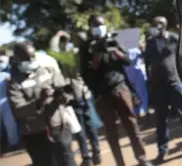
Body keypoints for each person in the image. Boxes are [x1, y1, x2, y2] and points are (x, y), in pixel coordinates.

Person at [80, 15, 151, 166]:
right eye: (96, 25)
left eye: (102, 24)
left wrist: (114, 50)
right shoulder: (87, 47)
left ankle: (142, 159)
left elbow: (127, 61)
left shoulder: (113, 40)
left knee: (132, 125)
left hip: (121, 89)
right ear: (90, 27)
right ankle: (120, 163)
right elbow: (87, 73)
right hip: (102, 95)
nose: (100, 27)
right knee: (111, 132)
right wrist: (97, 54)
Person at [143, 16, 182, 163]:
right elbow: (147, 62)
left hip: (174, 84)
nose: (157, 26)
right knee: (161, 121)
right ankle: (162, 151)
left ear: (165, 26)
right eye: (154, 24)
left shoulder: (174, 39)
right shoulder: (150, 43)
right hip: (158, 87)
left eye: (160, 24)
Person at [8, 42, 76, 166]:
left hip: (58, 127)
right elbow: (18, 110)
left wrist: (62, 98)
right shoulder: (14, 83)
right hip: (35, 133)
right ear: (17, 59)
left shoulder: (49, 71)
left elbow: (66, 92)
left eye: (33, 57)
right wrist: (40, 100)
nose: (31, 60)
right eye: (27, 58)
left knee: (67, 161)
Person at [50, 32, 101, 165]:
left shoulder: (68, 56)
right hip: (83, 93)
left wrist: (58, 36)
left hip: (76, 95)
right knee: (88, 126)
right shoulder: (80, 54)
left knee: (81, 128)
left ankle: (87, 157)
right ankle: (95, 153)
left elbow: (52, 50)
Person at [0, 51, 20, 150]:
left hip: (6, 102)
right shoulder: (6, 75)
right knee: (9, 124)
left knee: (10, 124)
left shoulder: (6, 75)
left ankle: (13, 143)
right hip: (5, 102)